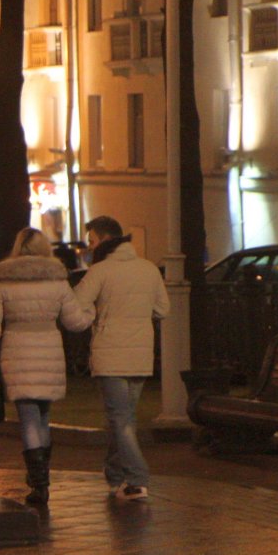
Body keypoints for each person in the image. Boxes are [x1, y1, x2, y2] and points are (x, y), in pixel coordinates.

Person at [0, 227, 93, 506]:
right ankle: (41, 476)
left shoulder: (3, 281)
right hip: (49, 351)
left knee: (28, 417)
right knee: (43, 416)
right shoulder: (57, 280)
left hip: (17, 351)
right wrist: (92, 311)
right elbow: (75, 322)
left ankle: (39, 482)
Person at [73, 215, 170, 503]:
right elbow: (163, 309)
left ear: (105, 240)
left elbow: (77, 304)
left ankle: (137, 479)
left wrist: (98, 315)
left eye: (92, 241)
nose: (89, 247)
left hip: (110, 354)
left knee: (120, 419)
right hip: (140, 355)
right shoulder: (149, 269)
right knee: (125, 417)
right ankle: (114, 475)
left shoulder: (99, 272)